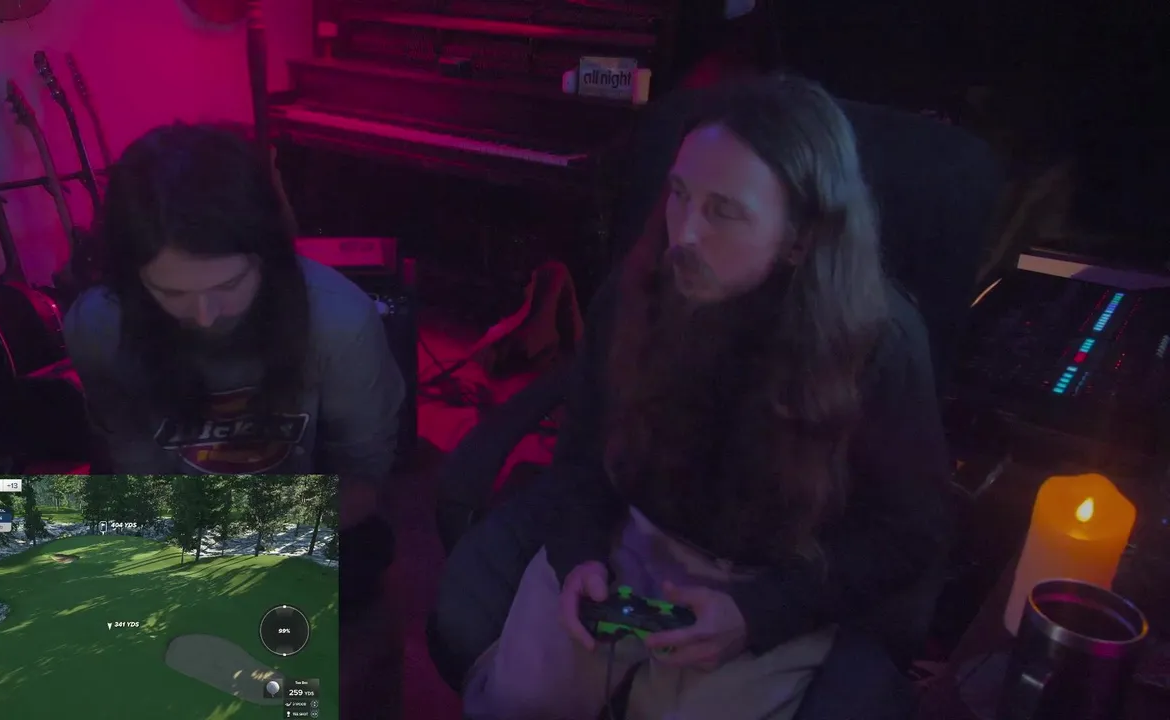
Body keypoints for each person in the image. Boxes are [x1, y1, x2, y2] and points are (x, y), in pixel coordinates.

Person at [462, 76, 951, 720]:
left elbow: (908, 532)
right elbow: (581, 453)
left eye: (724, 211)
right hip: (633, 536)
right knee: (522, 702)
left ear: (800, 237)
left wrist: (759, 613)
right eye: (679, 194)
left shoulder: (878, 346)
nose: (683, 235)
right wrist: (578, 553)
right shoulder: (639, 290)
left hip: (774, 576)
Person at [63, 123, 404, 530]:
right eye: (171, 292)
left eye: (228, 285)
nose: (205, 316)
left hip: (304, 520)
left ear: (267, 257)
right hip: (177, 520)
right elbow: (137, 472)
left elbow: (362, 480)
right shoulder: (98, 325)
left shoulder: (341, 320)